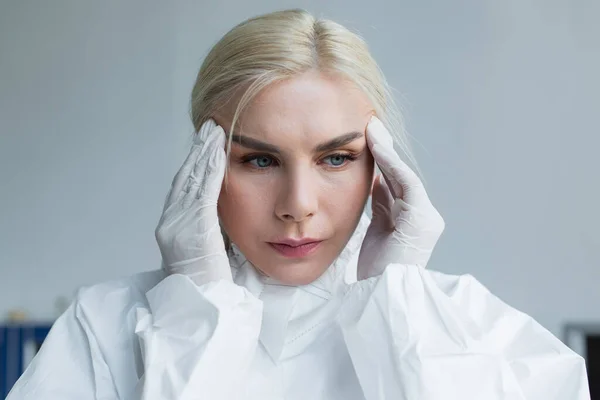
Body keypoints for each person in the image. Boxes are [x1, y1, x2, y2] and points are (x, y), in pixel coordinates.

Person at [8, 9, 589, 400]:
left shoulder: (473, 327)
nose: (298, 205)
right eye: (259, 160)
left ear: (379, 167)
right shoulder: (103, 326)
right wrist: (195, 317)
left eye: (336, 158)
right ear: (203, 165)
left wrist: (398, 305)